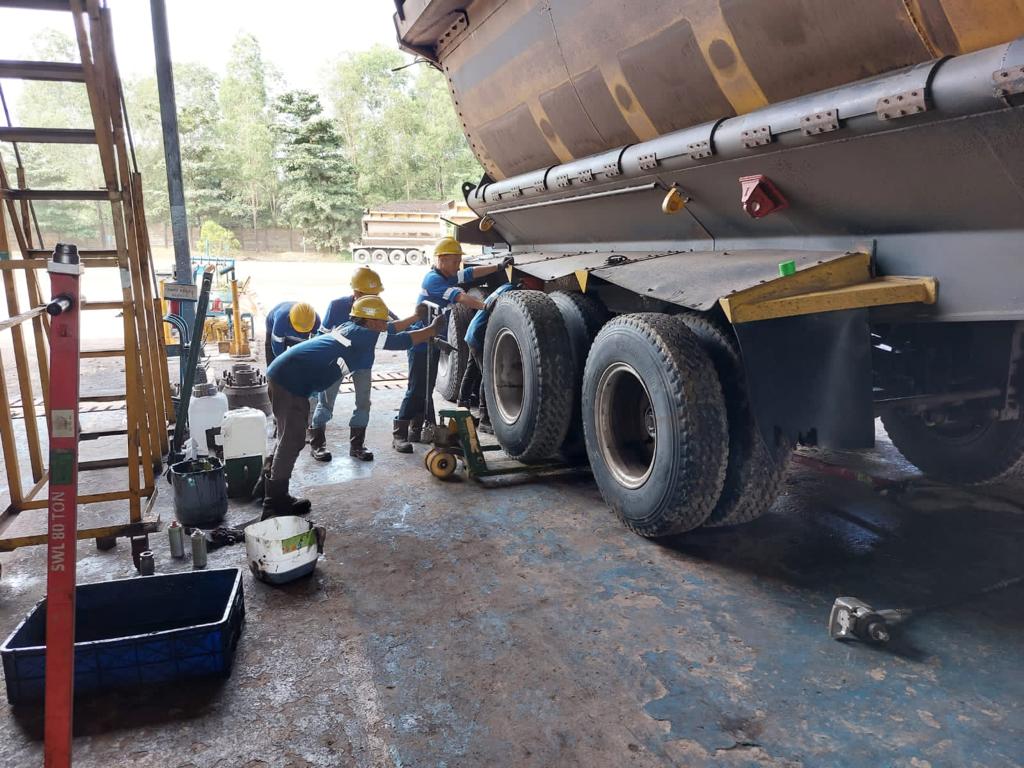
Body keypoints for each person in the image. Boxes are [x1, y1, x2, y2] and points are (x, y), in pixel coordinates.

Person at [264, 296, 444, 518]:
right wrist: (432, 329)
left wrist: (416, 317)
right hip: (289, 382)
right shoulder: (363, 335)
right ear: (368, 321)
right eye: (379, 320)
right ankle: (274, 503)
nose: (383, 323)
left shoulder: (355, 329)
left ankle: (266, 489)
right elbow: (401, 340)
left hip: (287, 376)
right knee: (291, 440)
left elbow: (390, 329)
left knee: (288, 438)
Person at [393, 236, 512, 452]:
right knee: (416, 389)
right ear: (441, 260)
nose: (458, 264)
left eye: (459, 259)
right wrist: (485, 306)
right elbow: (461, 298)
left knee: (426, 387)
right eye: (455, 260)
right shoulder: (434, 280)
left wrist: (497, 267)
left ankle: (415, 429)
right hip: (420, 342)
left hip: (432, 340)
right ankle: (399, 434)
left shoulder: (446, 275)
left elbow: (470, 274)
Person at [310, 266, 422, 462]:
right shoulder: (336, 306)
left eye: (376, 294)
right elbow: (321, 336)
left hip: (362, 362)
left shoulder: (378, 307)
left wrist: (418, 325)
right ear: (356, 292)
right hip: (336, 363)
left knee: (363, 403)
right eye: (369, 294)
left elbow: (394, 325)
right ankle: (317, 444)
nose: (374, 298)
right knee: (325, 403)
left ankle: (357, 445)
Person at [457, 282, 516, 434]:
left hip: (473, 333)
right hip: (478, 337)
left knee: (471, 372)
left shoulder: (502, 288)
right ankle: (485, 419)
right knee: (488, 376)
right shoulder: (512, 293)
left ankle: (462, 408)